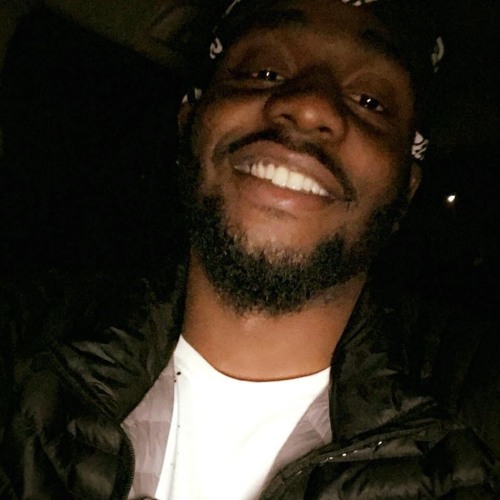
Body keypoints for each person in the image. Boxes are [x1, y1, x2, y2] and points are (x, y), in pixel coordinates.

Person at [0, 0, 498, 498]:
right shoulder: (26, 349)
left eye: (370, 100)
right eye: (264, 72)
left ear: (405, 189)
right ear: (190, 120)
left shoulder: (474, 439)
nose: (310, 106)